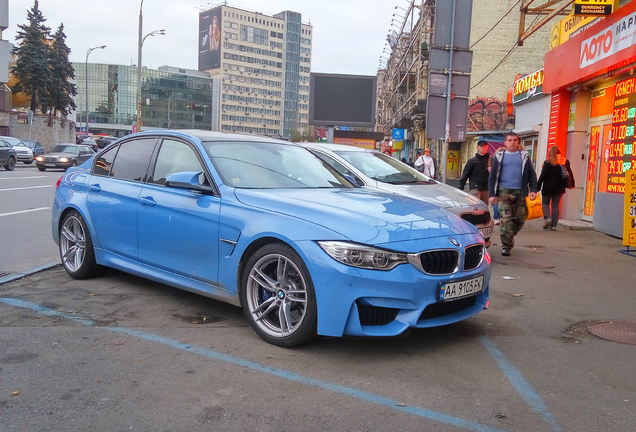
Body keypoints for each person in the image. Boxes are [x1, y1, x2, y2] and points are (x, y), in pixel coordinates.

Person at [488, 132, 538, 256]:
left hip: (520, 191)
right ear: (505, 142)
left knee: (520, 218)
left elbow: (531, 174)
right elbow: (493, 176)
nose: (512, 142)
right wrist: (492, 194)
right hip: (504, 192)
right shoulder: (499, 156)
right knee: (506, 220)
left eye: (515, 140)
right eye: (509, 140)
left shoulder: (524, 156)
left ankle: (509, 234)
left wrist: (533, 189)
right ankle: (506, 245)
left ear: (518, 142)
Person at [537, 146, 575, 231]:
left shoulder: (547, 162)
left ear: (550, 152)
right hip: (559, 188)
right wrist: (571, 184)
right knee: (555, 205)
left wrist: (537, 187)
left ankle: (547, 218)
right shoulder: (565, 161)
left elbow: (542, 176)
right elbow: (570, 173)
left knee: (545, 203)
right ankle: (553, 226)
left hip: (547, 187)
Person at [458, 137, 490, 204]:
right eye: (481, 146)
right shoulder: (473, 161)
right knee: (475, 206)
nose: (483, 148)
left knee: (485, 208)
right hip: (475, 187)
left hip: (487, 188)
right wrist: (461, 186)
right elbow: (466, 173)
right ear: (477, 147)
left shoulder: (491, 160)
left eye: (485, 146)